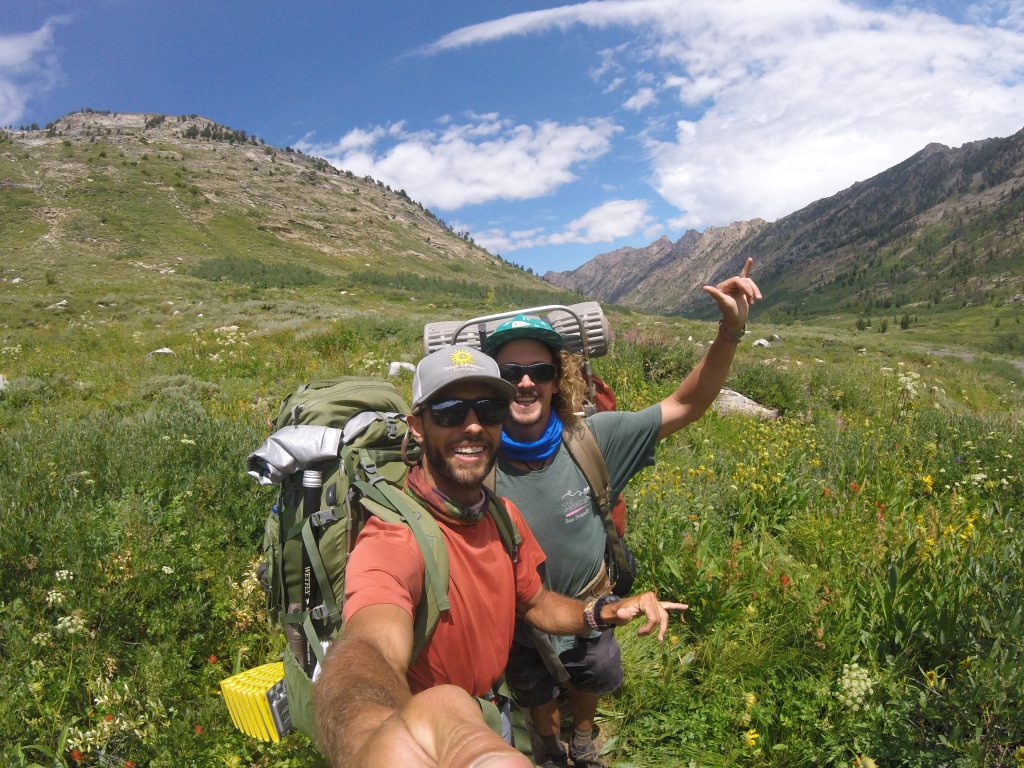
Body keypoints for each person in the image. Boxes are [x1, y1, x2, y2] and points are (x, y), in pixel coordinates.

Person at [313, 344, 686, 768]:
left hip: (495, 709)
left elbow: (538, 603)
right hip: (429, 741)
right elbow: (367, 649)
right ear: (417, 427)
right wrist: (371, 739)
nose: (472, 426)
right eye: (451, 411)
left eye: (489, 409)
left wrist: (604, 613)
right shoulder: (394, 540)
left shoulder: (501, 516)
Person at [484, 258, 762, 768]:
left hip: (592, 603)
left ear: (556, 379)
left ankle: (583, 736)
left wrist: (729, 331)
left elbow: (687, 404)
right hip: (519, 618)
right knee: (534, 689)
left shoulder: (595, 439)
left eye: (539, 371)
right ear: (493, 381)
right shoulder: (473, 457)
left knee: (591, 672)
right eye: (510, 372)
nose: (525, 384)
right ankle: (548, 746)